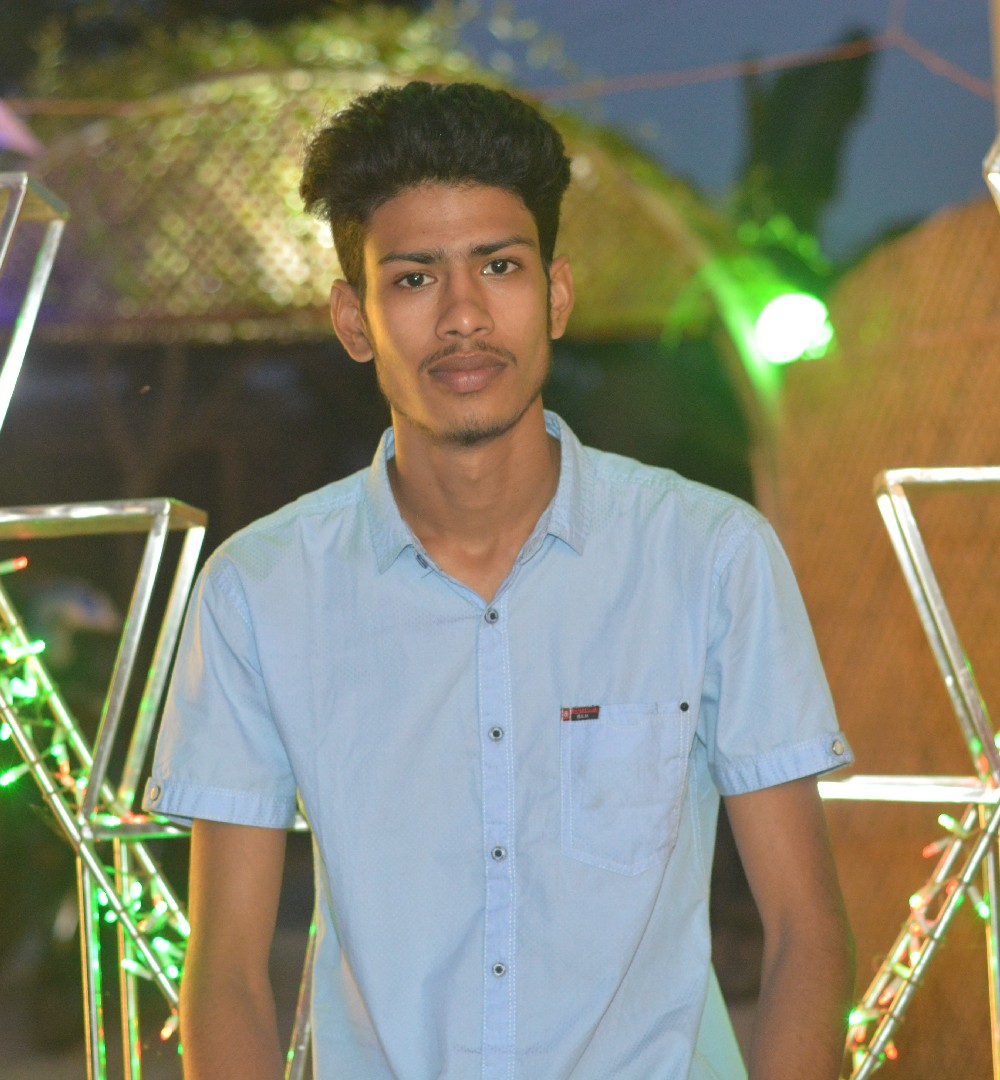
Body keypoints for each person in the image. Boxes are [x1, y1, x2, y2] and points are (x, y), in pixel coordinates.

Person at [144, 80, 855, 1080]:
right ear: (354, 319)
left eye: (500, 266)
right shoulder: (259, 593)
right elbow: (223, 976)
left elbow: (805, 933)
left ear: (555, 295)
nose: (465, 315)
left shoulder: (709, 556)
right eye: (414, 278)